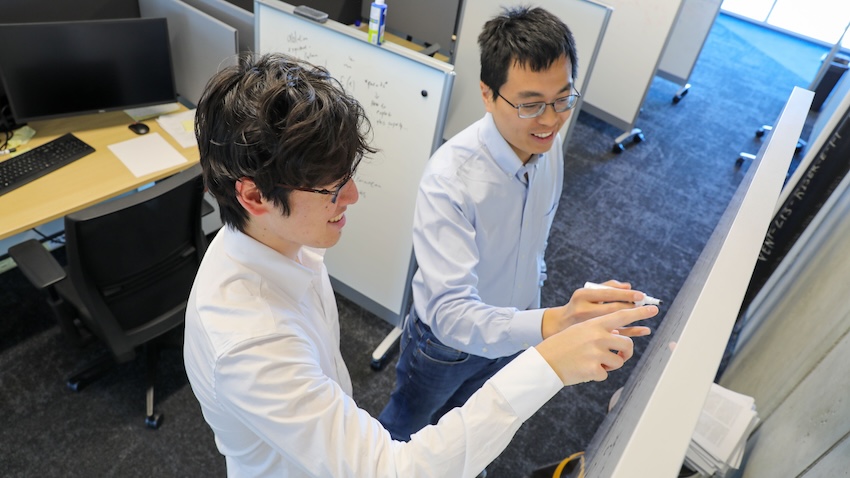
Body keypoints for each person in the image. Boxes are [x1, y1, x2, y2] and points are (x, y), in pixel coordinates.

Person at [182, 51, 656, 477]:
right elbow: (392, 469)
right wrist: (548, 365)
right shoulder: (250, 342)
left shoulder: (285, 241)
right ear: (254, 197)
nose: (353, 196)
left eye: (349, 176)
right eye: (333, 188)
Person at [378, 6, 656, 442]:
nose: (550, 120)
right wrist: (552, 323)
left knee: (474, 430)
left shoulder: (547, 142)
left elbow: (537, 239)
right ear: (487, 95)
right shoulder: (450, 180)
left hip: (519, 326)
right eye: (530, 104)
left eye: (562, 99)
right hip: (447, 347)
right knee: (404, 433)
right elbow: (451, 315)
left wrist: (537, 305)